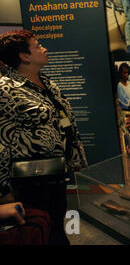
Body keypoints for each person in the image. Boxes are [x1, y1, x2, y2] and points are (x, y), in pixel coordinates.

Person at [0, 30, 87, 245]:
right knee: (41, 232)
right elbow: (1, 142)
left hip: (55, 174)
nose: (44, 49)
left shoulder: (47, 83)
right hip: (29, 182)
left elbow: (66, 122)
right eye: (38, 46)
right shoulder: (6, 90)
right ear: (24, 56)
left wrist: (74, 158)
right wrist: (2, 192)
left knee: (56, 224)